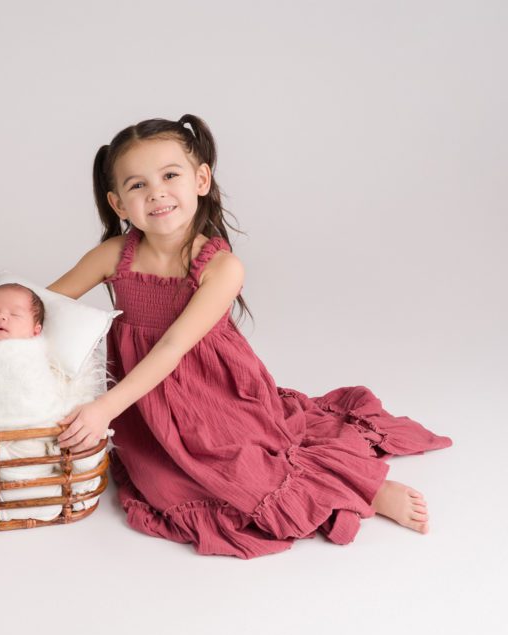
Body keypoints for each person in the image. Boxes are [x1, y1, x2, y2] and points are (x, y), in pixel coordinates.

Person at [49, 116, 452, 558]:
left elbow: (172, 347)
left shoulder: (220, 267)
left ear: (200, 179)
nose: (157, 193)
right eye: (138, 185)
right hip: (143, 402)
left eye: (169, 176)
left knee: (243, 466)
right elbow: (46, 304)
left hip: (213, 392)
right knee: (164, 482)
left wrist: (103, 408)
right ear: (119, 204)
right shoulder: (115, 256)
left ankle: (365, 490)